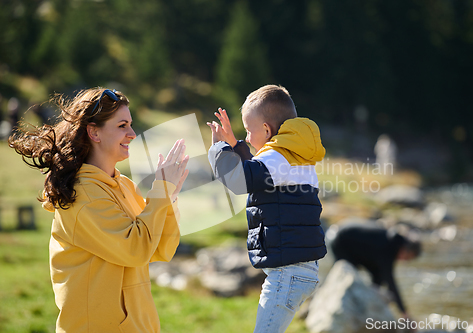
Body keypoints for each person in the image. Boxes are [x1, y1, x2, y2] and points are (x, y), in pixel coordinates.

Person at [8, 88, 189, 333]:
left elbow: (159, 248)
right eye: (122, 125)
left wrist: (169, 196)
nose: (132, 134)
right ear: (94, 132)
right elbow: (135, 249)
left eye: (131, 125)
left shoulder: (122, 184)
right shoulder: (84, 194)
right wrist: (160, 190)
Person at [207, 85, 327, 333]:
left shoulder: (279, 157)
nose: (247, 138)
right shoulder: (292, 154)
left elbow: (240, 180)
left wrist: (217, 149)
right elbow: (259, 171)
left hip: (288, 273)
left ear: (266, 129)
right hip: (296, 269)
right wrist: (234, 144)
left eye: (249, 131)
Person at [329, 223, 421, 319]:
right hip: (340, 240)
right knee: (346, 277)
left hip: (347, 239)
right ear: (405, 250)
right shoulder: (388, 248)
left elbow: (380, 277)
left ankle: (369, 308)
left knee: (377, 275)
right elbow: (390, 282)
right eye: (407, 258)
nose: (404, 261)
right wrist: (404, 312)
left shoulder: (391, 242)